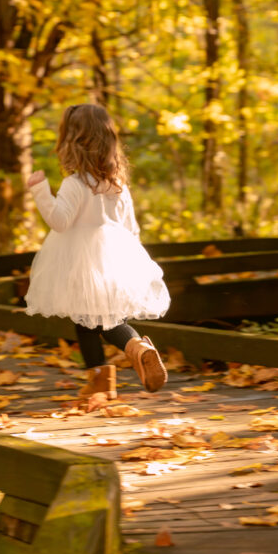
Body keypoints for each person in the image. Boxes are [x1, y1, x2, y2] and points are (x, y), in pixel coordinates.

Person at [25, 103, 170, 401]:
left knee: (87, 320)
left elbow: (60, 222)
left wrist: (40, 191)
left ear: (73, 142)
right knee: (100, 319)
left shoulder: (75, 184)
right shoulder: (117, 185)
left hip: (81, 261)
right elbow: (131, 228)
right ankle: (135, 350)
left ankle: (103, 378)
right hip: (115, 258)